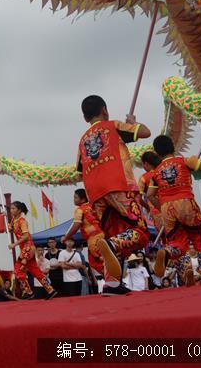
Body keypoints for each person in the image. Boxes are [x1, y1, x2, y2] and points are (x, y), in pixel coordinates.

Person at [76, 95, 151, 296]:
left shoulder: (83, 141)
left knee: (113, 234)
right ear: (105, 110)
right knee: (140, 232)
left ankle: (112, 282)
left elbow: (79, 168)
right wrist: (133, 124)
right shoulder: (113, 125)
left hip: (95, 193)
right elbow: (145, 132)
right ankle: (111, 246)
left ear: (85, 118)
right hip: (119, 184)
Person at [148, 134, 201, 287]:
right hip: (185, 202)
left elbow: (150, 195)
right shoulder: (184, 161)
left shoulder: (155, 172)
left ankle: (179, 267)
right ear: (173, 147)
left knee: (177, 243)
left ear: (157, 153)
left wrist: (162, 207)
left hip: (166, 208)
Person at [8, 202, 57, 300]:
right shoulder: (14, 219)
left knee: (18, 270)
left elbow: (26, 236)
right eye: (11, 208)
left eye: (13, 208)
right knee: (35, 270)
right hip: (25, 248)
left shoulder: (22, 221)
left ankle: (29, 292)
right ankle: (50, 290)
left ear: (19, 210)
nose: (11, 210)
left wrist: (14, 244)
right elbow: (11, 230)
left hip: (28, 248)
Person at [62, 188, 104, 278]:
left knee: (98, 261)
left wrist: (66, 237)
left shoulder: (80, 210)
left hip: (93, 239)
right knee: (104, 258)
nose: (74, 199)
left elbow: (76, 225)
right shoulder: (93, 206)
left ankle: (112, 282)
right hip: (102, 235)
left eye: (76, 197)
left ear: (83, 199)